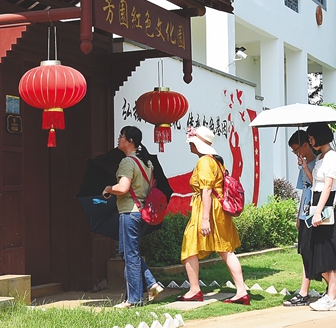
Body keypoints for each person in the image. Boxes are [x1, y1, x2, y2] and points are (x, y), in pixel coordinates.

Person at [178, 126, 249, 305]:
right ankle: (241, 291)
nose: (189, 145)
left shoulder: (204, 162)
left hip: (207, 209)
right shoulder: (216, 161)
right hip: (219, 210)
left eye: (192, 142)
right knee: (226, 250)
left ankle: (195, 290)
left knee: (189, 246)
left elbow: (207, 191)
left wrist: (204, 219)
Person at [102, 126, 163, 308]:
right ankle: (151, 284)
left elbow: (123, 188)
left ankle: (134, 299)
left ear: (130, 141)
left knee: (130, 255)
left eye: (121, 136)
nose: (119, 139)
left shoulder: (127, 162)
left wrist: (108, 189)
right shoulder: (146, 163)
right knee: (127, 252)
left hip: (130, 212)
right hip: (141, 212)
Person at [300, 123, 336, 312]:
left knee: (330, 250)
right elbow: (317, 184)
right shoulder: (320, 157)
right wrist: (306, 168)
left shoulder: (333, 157)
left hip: (328, 206)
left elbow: (328, 186)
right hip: (318, 203)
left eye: (311, 138)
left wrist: (318, 212)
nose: (310, 142)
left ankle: (332, 297)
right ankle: (335, 289)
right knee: (317, 250)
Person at [284, 130, 316, 307]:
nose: (296, 153)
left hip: (316, 213)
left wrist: (305, 167)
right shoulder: (303, 165)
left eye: (297, 149)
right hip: (305, 213)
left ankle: (332, 287)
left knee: (313, 252)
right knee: (305, 251)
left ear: (306, 145)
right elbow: (305, 190)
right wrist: (299, 216)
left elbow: (318, 185)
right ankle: (304, 291)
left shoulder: (318, 163)